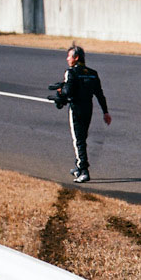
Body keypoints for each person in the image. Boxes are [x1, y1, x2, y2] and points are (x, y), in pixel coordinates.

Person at [51, 45, 111, 183]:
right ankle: (78, 167)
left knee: (78, 140)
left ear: (76, 58)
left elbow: (68, 92)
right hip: (88, 109)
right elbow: (100, 94)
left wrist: (60, 92)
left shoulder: (71, 72)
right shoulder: (92, 73)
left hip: (76, 109)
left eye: (69, 56)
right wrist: (105, 112)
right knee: (82, 138)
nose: (67, 59)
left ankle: (84, 170)